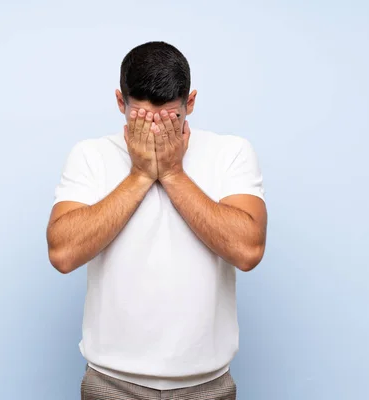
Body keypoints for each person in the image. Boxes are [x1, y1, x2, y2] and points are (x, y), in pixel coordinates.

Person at [46, 41, 267, 400]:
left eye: (169, 118)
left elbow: (248, 250)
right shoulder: (90, 155)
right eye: (142, 117)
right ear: (121, 103)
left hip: (206, 385)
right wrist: (140, 175)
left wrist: (174, 173)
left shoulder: (231, 153)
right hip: (110, 383)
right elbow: (62, 254)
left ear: (189, 103)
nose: (155, 133)